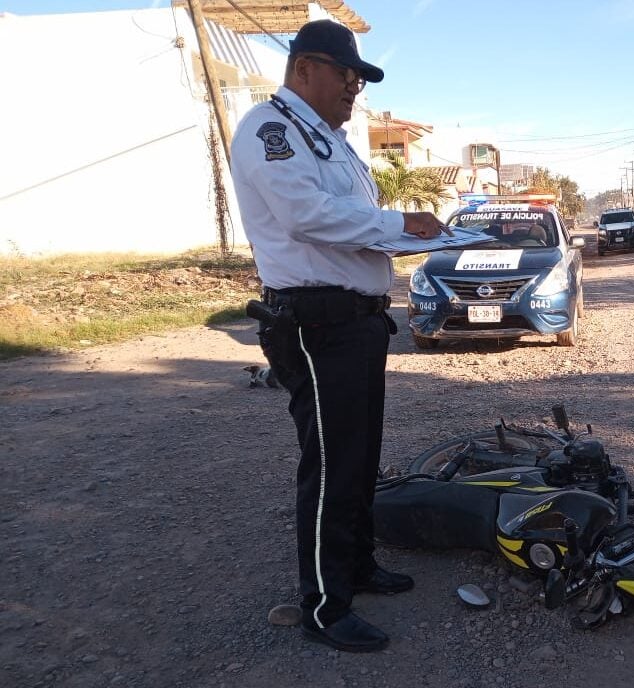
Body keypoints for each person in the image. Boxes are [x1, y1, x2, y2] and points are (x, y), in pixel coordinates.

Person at [230, 19, 451, 653]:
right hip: (315, 320)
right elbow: (306, 215)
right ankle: (325, 606)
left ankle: (355, 566)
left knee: (356, 455)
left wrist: (408, 234)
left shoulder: (329, 140)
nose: (355, 87)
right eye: (346, 73)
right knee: (329, 464)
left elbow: (351, 221)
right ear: (303, 69)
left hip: (354, 320)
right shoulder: (270, 129)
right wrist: (399, 222)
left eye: (360, 77)